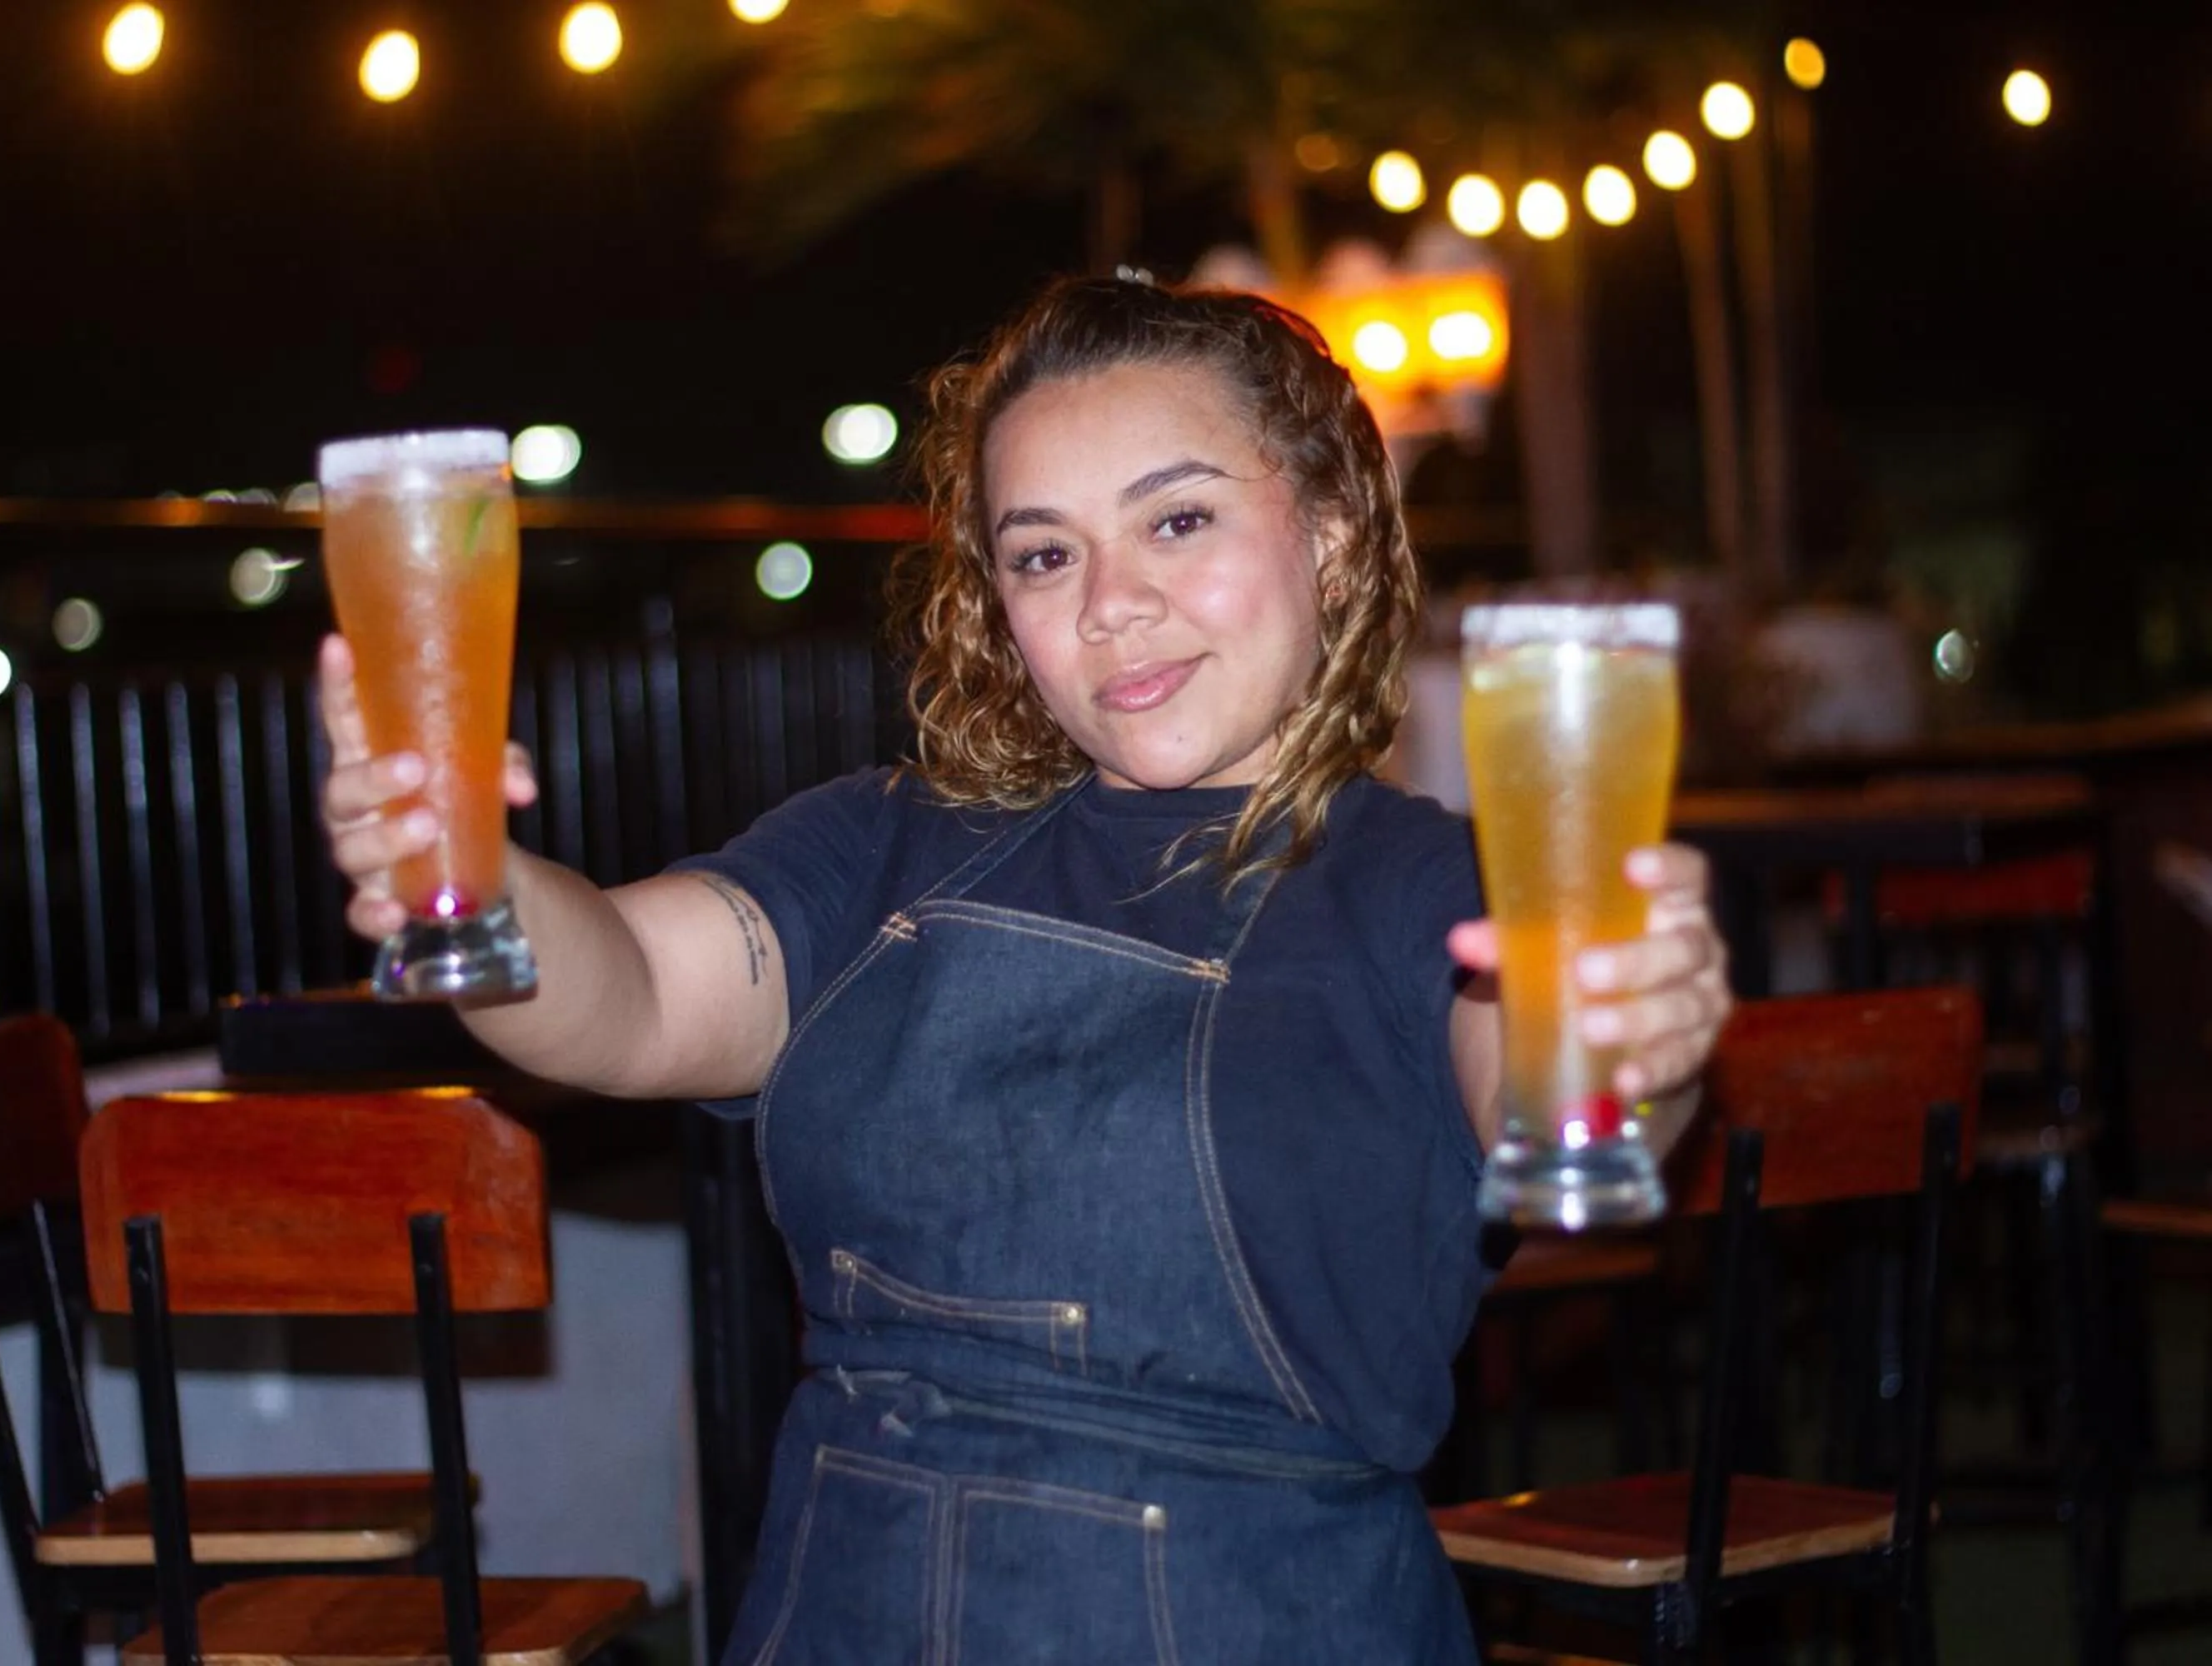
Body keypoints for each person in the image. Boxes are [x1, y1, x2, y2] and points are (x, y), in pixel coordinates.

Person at [319, 275, 1732, 1664]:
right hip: (844, 1608)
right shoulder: (880, 844)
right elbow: (621, 997)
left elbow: (1553, 1087)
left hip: (1257, 1616)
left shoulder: (1443, 888)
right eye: (1044, 554)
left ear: (1336, 539)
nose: (1113, 604)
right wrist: (469, 887)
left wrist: (1636, 1044)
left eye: (1178, 520)